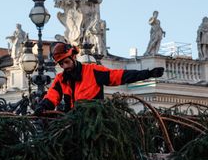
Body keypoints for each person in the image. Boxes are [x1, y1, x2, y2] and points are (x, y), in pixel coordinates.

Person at [35, 42, 164, 114]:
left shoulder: (93, 71)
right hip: (71, 123)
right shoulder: (61, 79)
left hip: (95, 122)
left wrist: (148, 73)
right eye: (61, 64)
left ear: (73, 57)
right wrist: (42, 107)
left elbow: (119, 76)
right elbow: (52, 96)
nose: (64, 66)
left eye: (66, 62)